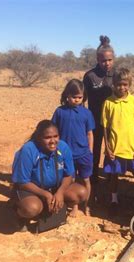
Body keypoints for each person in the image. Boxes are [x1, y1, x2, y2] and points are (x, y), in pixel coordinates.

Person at [11, 120, 87, 229]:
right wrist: (46, 194)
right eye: (47, 138)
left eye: (55, 136)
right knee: (32, 208)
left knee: (81, 193)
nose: (53, 141)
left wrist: (60, 192)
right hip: (32, 189)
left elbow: (68, 175)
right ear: (38, 138)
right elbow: (22, 182)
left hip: (54, 188)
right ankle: (19, 212)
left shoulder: (63, 147)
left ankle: (54, 207)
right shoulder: (28, 150)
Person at [101, 68, 134, 216]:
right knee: (114, 175)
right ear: (113, 84)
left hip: (131, 148)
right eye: (118, 84)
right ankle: (114, 201)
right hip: (115, 148)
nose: (122, 87)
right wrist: (107, 148)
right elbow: (105, 127)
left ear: (129, 84)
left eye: (125, 84)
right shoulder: (108, 102)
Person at [52, 79, 95, 216]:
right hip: (66, 154)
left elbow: (89, 133)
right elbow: (54, 131)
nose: (76, 100)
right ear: (67, 96)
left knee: (86, 180)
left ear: (83, 97)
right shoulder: (59, 112)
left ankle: (87, 205)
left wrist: (90, 151)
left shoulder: (86, 113)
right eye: (73, 97)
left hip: (83, 153)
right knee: (70, 180)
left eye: (79, 97)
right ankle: (74, 206)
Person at [83, 35, 115, 184]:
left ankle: (110, 176)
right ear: (98, 59)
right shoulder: (90, 76)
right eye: (103, 60)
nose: (107, 63)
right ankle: (93, 176)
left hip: (112, 120)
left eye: (109, 60)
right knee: (94, 148)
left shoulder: (116, 75)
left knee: (111, 148)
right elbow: (82, 100)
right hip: (94, 119)